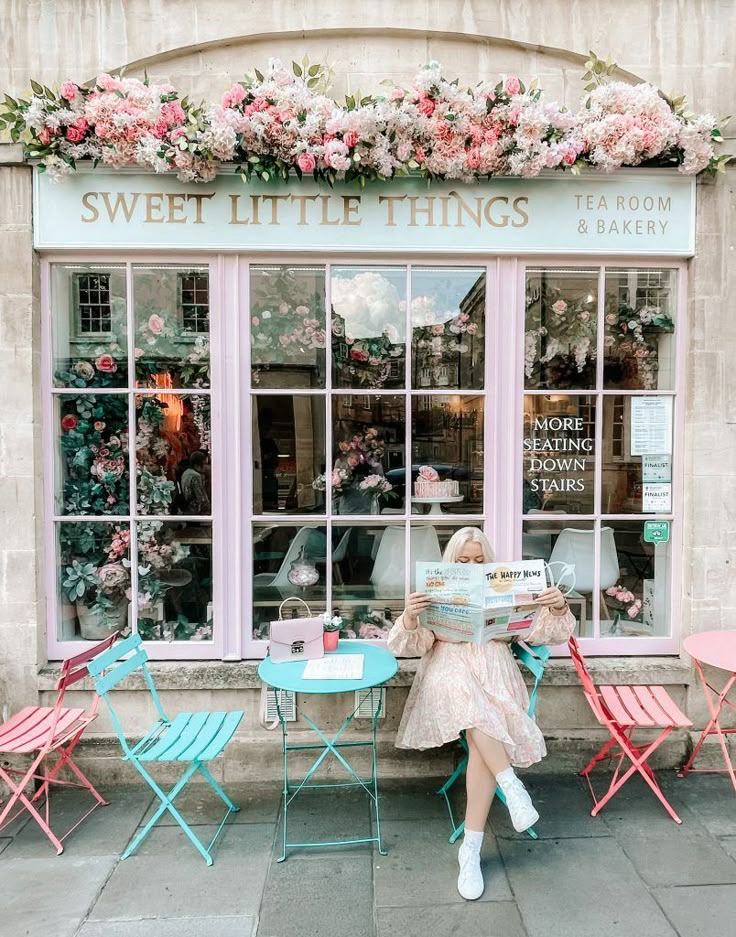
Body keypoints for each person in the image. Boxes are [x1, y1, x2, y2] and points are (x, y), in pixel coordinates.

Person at [387, 526, 575, 902]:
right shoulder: (433, 592)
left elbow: (547, 634)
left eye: (478, 560)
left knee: (481, 728)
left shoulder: (503, 587)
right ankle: (512, 787)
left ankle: (470, 849)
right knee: (470, 703)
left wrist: (557, 606)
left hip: (494, 668)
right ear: (451, 563)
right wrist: (410, 617)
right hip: (448, 669)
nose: (472, 566)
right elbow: (407, 647)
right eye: (463, 561)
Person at [180, 450, 211, 515]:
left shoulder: (186, 472)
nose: (206, 467)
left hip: (186, 506)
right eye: (204, 464)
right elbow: (199, 496)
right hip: (194, 509)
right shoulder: (196, 476)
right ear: (197, 465)